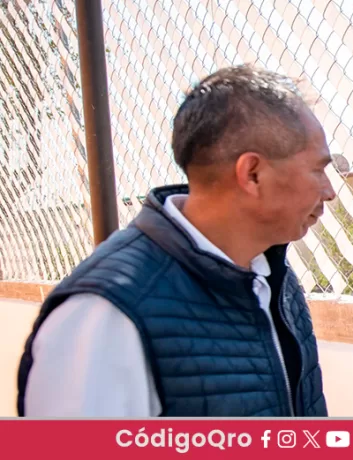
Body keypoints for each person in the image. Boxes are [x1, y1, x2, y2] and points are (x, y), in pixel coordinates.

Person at [17, 65, 333, 416]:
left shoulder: (272, 276)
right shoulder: (104, 316)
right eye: (319, 170)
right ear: (252, 174)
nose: (330, 191)